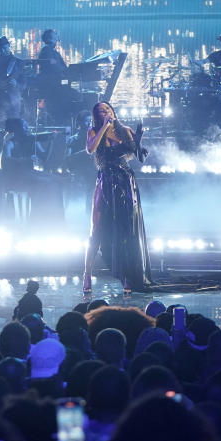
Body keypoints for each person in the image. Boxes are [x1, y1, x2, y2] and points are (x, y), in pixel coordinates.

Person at [83, 101, 152, 295]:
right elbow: (91, 149)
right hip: (106, 180)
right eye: (100, 112)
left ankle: (127, 276)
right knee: (96, 230)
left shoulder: (125, 130)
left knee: (126, 230)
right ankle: (86, 273)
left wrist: (138, 140)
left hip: (126, 181)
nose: (104, 112)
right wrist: (104, 127)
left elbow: (139, 157)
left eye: (107, 109)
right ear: (97, 116)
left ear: (112, 111)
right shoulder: (93, 131)